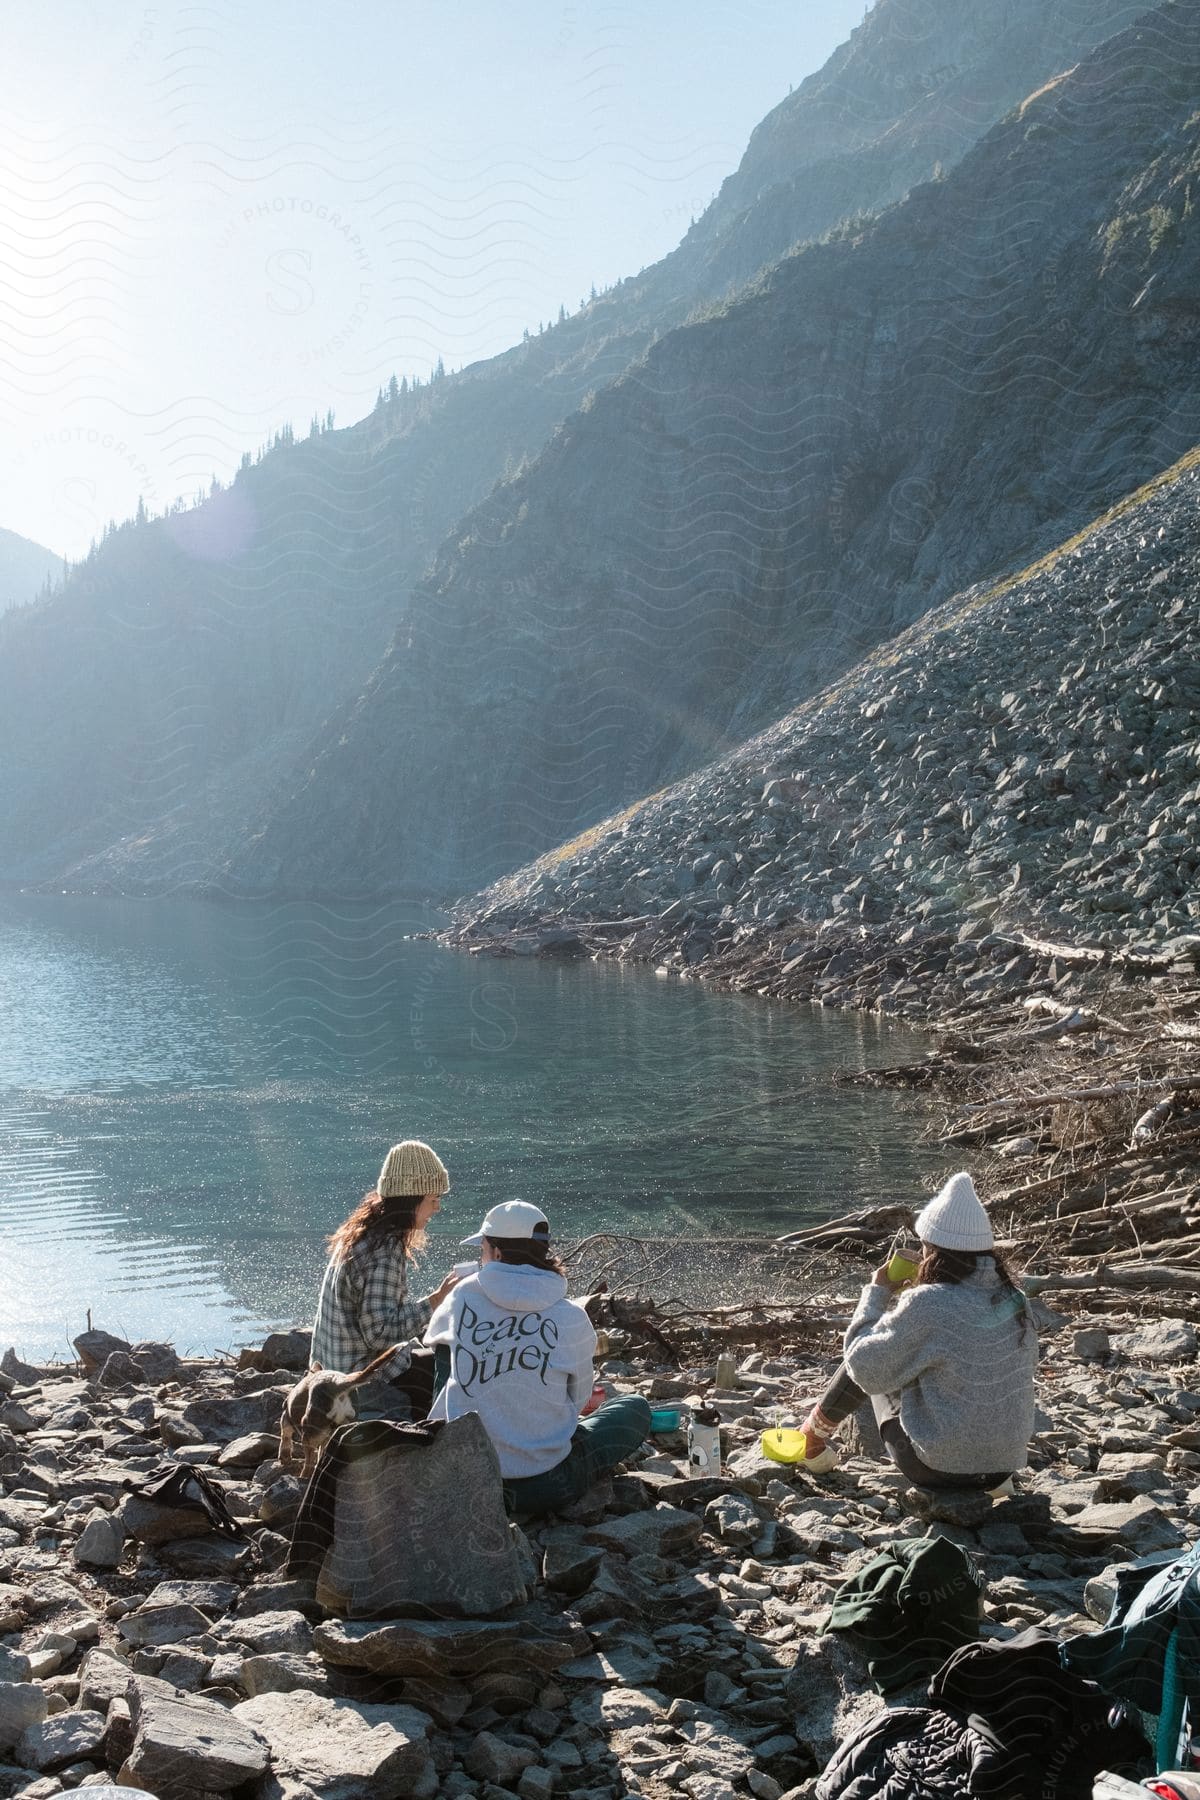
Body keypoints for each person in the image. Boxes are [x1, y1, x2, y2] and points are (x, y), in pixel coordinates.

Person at [795, 1171, 1038, 1487]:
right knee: (906, 1350)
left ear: (934, 1250)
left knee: (875, 1353)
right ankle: (987, 1476)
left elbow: (863, 1366)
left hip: (937, 1467)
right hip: (1002, 1467)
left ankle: (811, 1439)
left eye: (924, 1246)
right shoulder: (1015, 1298)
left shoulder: (930, 1302)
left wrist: (878, 1292)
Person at [425, 1199, 651, 1516]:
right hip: (547, 1485)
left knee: (445, 1354)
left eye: (483, 1249)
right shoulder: (570, 1316)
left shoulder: (460, 1299)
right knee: (635, 1408)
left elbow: (442, 1384)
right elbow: (581, 1398)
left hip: (465, 1480)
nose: (480, 1258)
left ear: (497, 1253)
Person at [310, 1139, 459, 1415]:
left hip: (328, 1372)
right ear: (412, 1200)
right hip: (359, 1383)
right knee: (452, 1371)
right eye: (433, 1199)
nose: (437, 1208)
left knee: (429, 1354)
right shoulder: (386, 1249)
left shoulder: (362, 1232)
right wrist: (436, 1301)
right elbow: (379, 1335)